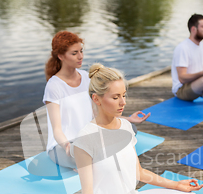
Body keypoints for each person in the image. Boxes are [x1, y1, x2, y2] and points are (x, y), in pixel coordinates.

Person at [71, 63, 203, 194]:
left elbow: (138, 172)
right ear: (96, 99)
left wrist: (177, 185)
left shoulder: (125, 126)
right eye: (115, 97)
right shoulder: (84, 141)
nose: (122, 102)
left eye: (124, 95)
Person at [43, 31, 150, 169]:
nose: (80, 56)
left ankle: (93, 159)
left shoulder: (87, 78)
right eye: (74, 53)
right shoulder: (54, 86)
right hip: (64, 146)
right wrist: (67, 146)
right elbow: (56, 129)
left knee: (130, 129)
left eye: (81, 51)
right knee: (87, 154)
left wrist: (128, 119)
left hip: (88, 138)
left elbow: (97, 114)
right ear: (60, 56)